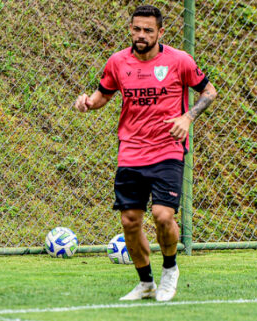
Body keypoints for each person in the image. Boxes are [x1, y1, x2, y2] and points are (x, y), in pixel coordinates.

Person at [74, 5, 217, 302]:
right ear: (130, 28)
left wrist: (188, 117)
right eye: (136, 29)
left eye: (148, 30)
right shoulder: (118, 62)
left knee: (163, 215)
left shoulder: (179, 61)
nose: (141, 35)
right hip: (131, 151)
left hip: (167, 148)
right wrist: (88, 103)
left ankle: (169, 270)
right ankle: (146, 283)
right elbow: (104, 94)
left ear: (160, 32)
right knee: (129, 220)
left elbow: (209, 91)